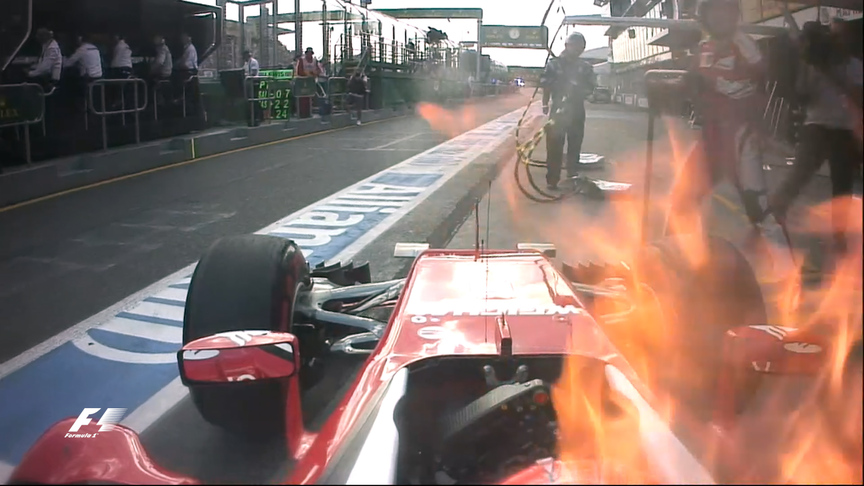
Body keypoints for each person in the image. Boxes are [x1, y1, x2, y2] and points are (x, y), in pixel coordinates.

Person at [666, 0, 795, 278]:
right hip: (711, 135)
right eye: (715, 11)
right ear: (706, 16)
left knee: (757, 207)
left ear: (735, 15)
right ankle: (680, 262)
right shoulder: (704, 47)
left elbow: (750, 82)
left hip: (739, 136)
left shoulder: (744, 44)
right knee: (682, 199)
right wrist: (669, 89)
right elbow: (691, 83)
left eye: (726, 10)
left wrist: (709, 82)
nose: (721, 16)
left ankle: (788, 274)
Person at [766, 22, 863, 265]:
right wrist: (805, 65)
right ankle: (775, 211)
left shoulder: (854, 66)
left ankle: (839, 236)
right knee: (800, 173)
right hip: (817, 127)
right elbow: (801, 95)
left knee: (842, 186)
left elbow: (857, 97)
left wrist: (833, 73)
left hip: (843, 130)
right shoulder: (812, 64)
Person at [540, 31, 596, 190]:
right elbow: (545, 84)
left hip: (576, 110)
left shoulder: (584, 67)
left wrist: (578, 90)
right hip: (558, 109)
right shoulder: (554, 64)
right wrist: (545, 104)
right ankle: (552, 179)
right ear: (567, 46)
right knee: (554, 145)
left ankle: (572, 176)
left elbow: (591, 86)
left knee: (575, 144)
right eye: (575, 46)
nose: (578, 49)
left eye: (581, 47)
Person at [64, 34, 103, 113]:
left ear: (80, 40)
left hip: (87, 78)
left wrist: (62, 59)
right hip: (98, 77)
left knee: (72, 88)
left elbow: (68, 63)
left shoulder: (82, 49)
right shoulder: (95, 48)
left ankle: (79, 110)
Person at [294, 47, 322, 118]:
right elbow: (299, 71)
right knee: (302, 98)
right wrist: (307, 74)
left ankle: (309, 112)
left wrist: (314, 73)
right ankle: (301, 113)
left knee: (310, 97)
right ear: (306, 54)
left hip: (311, 82)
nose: (309, 55)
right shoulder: (301, 60)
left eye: (310, 53)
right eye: (308, 53)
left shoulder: (315, 61)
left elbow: (319, 71)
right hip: (301, 82)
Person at [150, 35, 173, 105]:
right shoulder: (164, 48)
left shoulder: (162, 49)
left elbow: (159, 62)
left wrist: (151, 70)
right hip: (166, 73)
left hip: (163, 74)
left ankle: (156, 104)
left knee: (150, 84)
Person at [243, 50, 262, 127]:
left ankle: (258, 117)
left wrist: (247, 75)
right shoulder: (246, 63)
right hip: (248, 84)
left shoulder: (253, 62)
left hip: (254, 83)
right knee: (250, 101)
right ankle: (252, 117)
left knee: (255, 100)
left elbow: (253, 73)